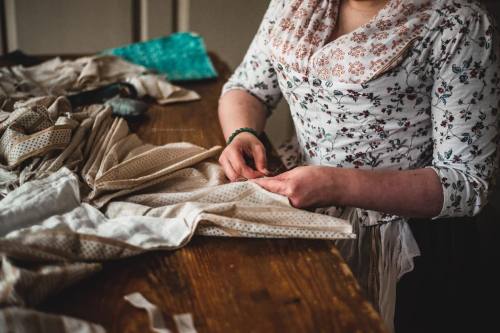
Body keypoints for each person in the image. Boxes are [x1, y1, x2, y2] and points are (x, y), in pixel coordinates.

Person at [217, 0, 499, 331]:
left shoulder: (459, 23)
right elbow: (247, 87)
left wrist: (336, 186)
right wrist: (242, 132)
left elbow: (467, 184)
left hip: (406, 242)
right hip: (297, 216)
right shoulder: (293, 4)